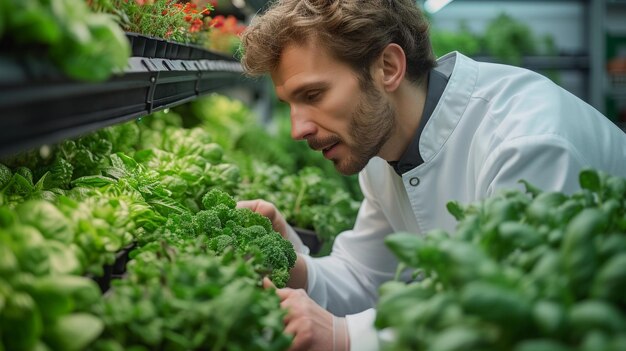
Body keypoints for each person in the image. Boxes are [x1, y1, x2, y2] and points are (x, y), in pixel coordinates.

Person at [236, 0, 626, 350]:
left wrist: (348, 337)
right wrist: (289, 260)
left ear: (388, 68)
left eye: (313, 95)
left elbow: (519, 307)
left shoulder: (525, 144)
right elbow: (363, 277)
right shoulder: (382, 152)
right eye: (289, 104)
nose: (297, 129)